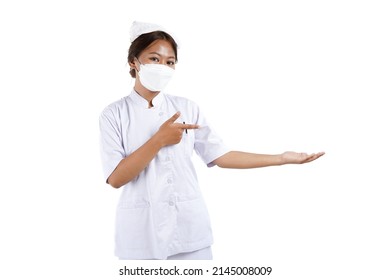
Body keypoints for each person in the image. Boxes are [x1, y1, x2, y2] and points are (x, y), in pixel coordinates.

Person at [99, 21, 325, 260]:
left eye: (170, 62)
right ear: (134, 62)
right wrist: (159, 140)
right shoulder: (113, 114)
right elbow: (116, 178)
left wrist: (281, 158)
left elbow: (221, 156)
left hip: (190, 233)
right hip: (141, 238)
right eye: (154, 59)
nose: (163, 67)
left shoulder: (187, 107)